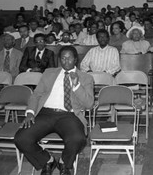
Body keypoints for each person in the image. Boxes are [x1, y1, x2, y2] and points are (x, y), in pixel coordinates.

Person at [14, 46, 94, 175]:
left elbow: (89, 104)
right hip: (45, 113)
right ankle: (47, 161)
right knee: (21, 138)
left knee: (78, 138)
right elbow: (36, 95)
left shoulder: (85, 77)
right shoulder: (49, 73)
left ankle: (64, 163)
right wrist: (30, 113)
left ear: (75, 60)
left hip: (69, 115)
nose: (66, 61)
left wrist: (76, 85)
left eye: (69, 58)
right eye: (63, 58)